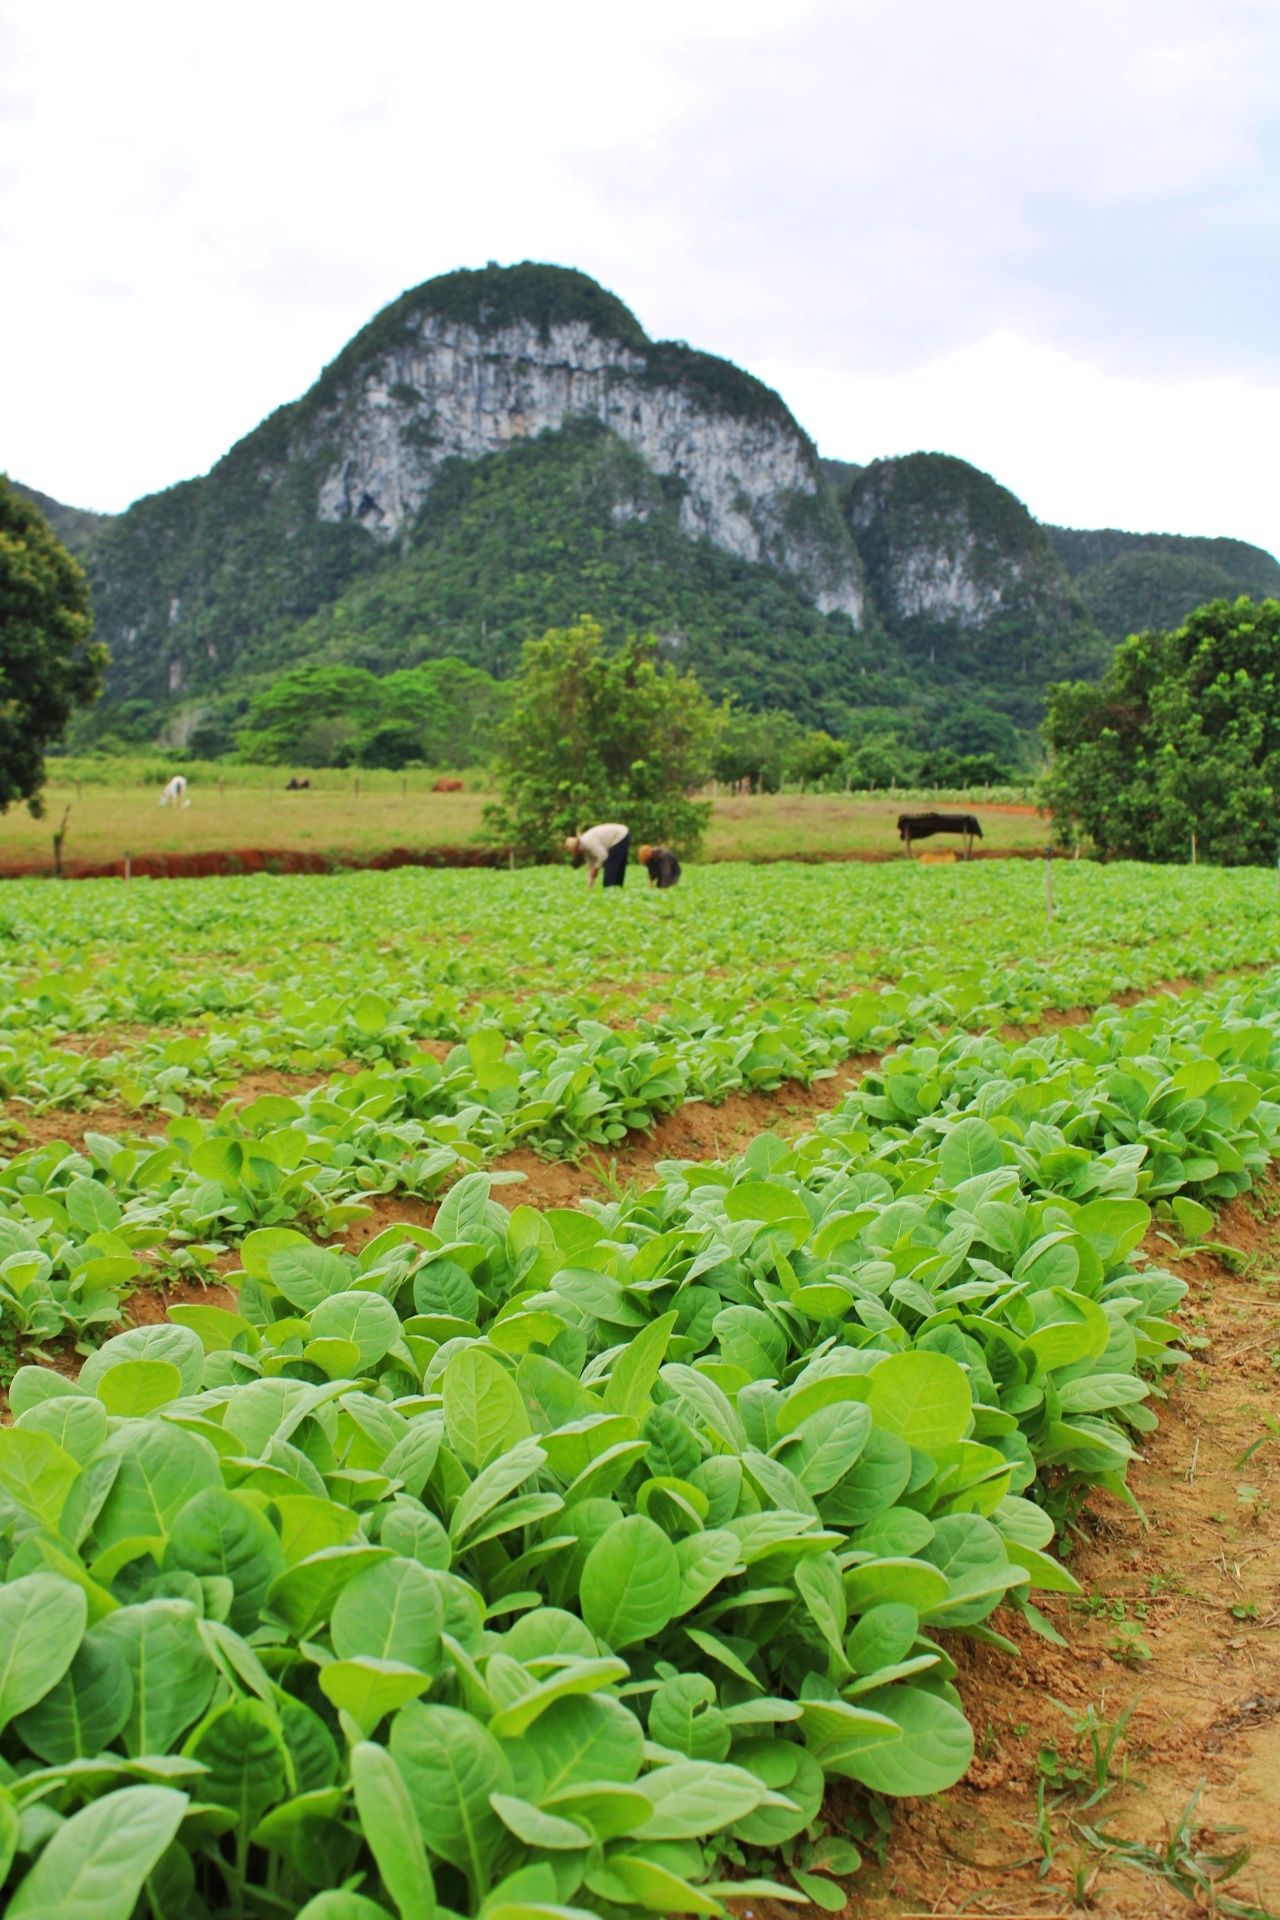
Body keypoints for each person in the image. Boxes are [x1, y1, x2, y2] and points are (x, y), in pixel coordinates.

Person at [565, 822, 629, 887]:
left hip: (620, 836)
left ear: (577, 847)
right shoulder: (585, 849)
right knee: (616, 868)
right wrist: (590, 883)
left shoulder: (587, 843)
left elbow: (603, 855)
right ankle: (617, 889)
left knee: (611, 867)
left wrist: (596, 868)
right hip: (623, 834)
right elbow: (590, 865)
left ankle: (610, 888)